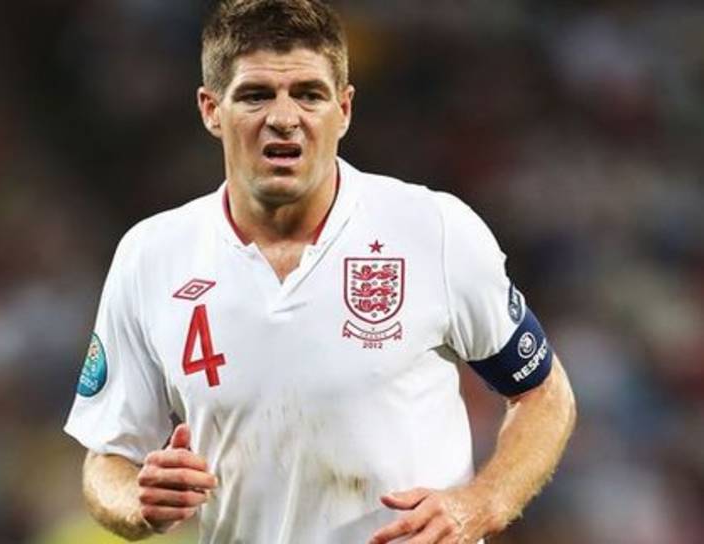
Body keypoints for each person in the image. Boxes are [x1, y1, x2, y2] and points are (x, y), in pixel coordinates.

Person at [63, 1, 577, 542]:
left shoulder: (433, 229)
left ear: (344, 109)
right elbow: (107, 458)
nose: (284, 118)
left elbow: (544, 395)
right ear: (211, 109)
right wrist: (137, 498)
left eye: (308, 94)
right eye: (256, 95)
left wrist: (482, 503)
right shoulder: (152, 256)